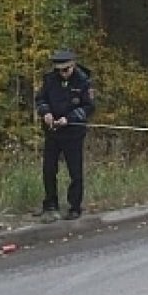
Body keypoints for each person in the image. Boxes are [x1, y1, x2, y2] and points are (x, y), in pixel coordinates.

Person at [33, 48, 95, 220]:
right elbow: (41, 99)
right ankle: (50, 203)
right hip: (52, 132)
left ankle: (74, 206)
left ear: (73, 65)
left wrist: (69, 119)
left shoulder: (83, 81)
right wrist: (45, 113)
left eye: (66, 70)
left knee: (75, 171)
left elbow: (89, 106)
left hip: (73, 132)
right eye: (59, 70)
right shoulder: (50, 79)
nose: (63, 73)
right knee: (49, 169)